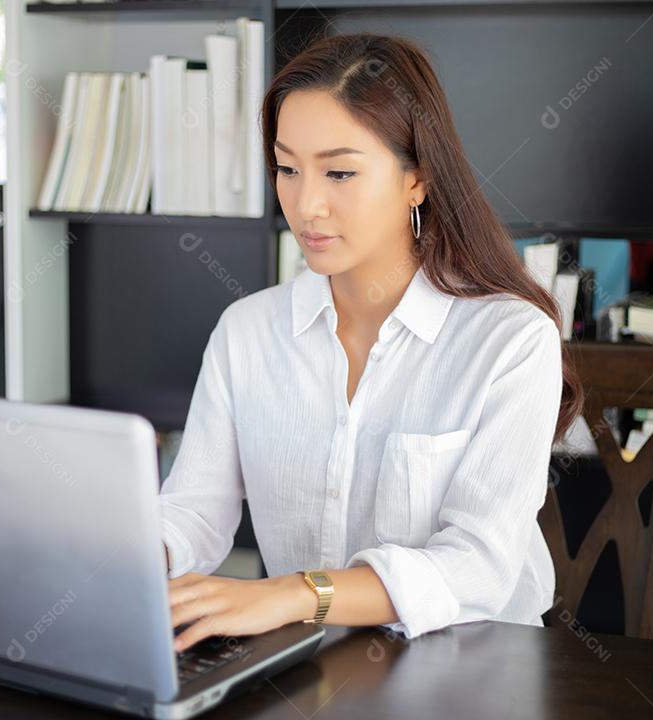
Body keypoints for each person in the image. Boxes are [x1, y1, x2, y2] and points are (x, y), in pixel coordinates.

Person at [161, 32, 582, 653]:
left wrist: (297, 594)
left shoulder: (511, 339)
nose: (306, 205)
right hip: (308, 669)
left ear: (418, 180)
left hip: (473, 671)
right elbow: (195, 510)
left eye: (339, 172)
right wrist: (139, 552)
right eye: (287, 168)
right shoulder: (247, 332)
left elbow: (478, 565)